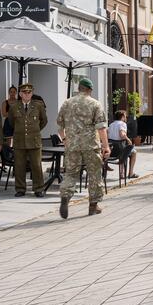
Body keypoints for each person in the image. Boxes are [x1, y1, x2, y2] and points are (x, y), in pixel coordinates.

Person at [57, 78, 110, 216]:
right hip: (90, 145)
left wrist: (64, 139)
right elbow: (101, 128)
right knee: (94, 175)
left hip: (72, 145)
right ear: (90, 90)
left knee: (71, 173)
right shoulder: (95, 104)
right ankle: (93, 206)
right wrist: (106, 146)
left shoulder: (67, 103)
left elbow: (59, 125)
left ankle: (65, 196)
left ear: (79, 88)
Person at [9, 83, 48, 197]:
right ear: (20, 94)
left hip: (34, 140)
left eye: (29, 92)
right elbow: (11, 122)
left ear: (32, 93)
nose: (27, 94)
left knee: (36, 165)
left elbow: (44, 121)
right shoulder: (14, 106)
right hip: (19, 140)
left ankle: (38, 189)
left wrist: (35, 130)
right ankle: (20, 189)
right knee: (19, 166)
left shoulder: (38, 105)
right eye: (24, 92)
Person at [108, 110, 137, 179]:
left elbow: (107, 135)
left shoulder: (111, 125)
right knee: (133, 152)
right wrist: (128, 139)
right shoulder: (122, 124)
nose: (126, 117)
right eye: (125, 116)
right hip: (120, 149)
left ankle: (122, 174)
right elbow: (122, 134)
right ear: (122, 117)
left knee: (123, 152)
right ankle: (131, 173)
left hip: (112, 150)